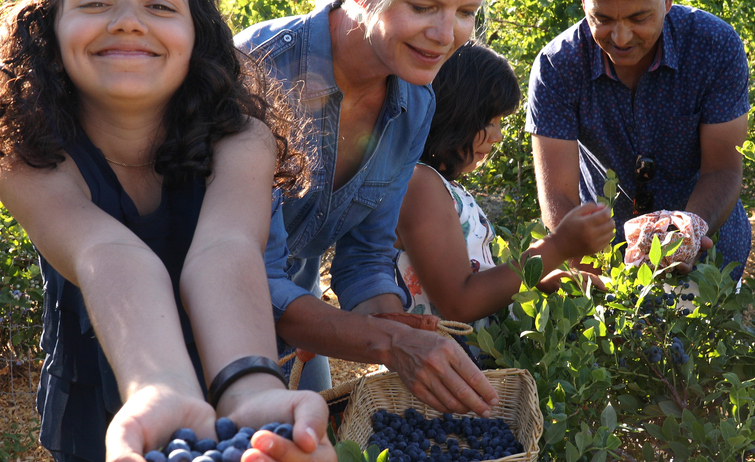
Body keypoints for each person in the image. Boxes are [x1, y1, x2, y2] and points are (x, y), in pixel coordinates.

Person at [0, 0, 334, 461]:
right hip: (100, 388)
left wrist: (251, 391)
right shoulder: (22, 154)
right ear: (49, 35)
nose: (128, 22)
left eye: (160, 5)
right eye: (95, 3)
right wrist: (160, 390)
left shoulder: (242, 139)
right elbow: (108, 251)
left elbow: (227, 247)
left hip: (229, 349)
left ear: (197, 36)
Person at [235, 0, 500, 417]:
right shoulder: (261, 70)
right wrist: (387, 343)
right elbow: (246, 275)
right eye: (422, 6)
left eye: (466, 12)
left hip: (294, 301)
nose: (446, 35)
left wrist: (396, 329)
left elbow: (366, 258)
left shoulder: (415, 102)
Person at [394, 41, 615, 326]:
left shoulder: (441, 186)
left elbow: (476, 282)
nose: (497, 136)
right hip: (447, 366)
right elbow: (460, 302)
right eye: (490, 120)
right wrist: (558, 246)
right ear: (454, 113)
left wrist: (537, 281)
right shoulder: (420, 184)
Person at [525, 0, 750, 280]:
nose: (621, 37)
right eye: (602, 19)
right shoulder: (558, 65)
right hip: (604, 258)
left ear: (667, 3)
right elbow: (559, 196)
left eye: (639, 18)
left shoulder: (713, 45)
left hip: (709, 256)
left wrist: (687, 235)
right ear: (583, 4)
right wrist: (605, 279)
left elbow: (722, 170)